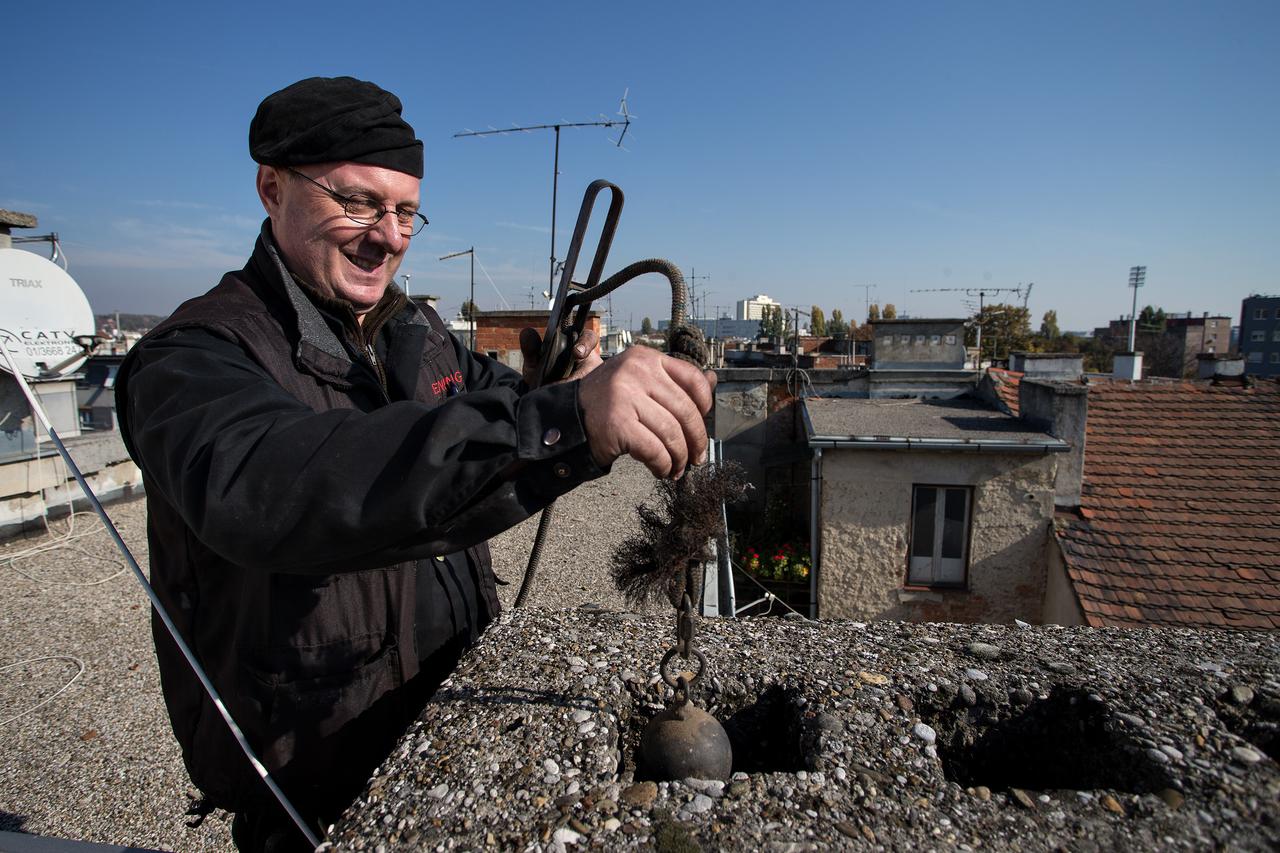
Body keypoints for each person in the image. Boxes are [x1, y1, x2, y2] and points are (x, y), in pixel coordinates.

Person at [115, 76, 715, 852]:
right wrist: (568, 417)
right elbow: (277, 485)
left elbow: (495, 410)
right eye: (359, 202)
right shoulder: (192, 358)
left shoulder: (416, 330)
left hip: (447, 741)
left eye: (405, 212)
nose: (389, 236)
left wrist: (558, 391)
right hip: (314, 801)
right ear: (272, 188)